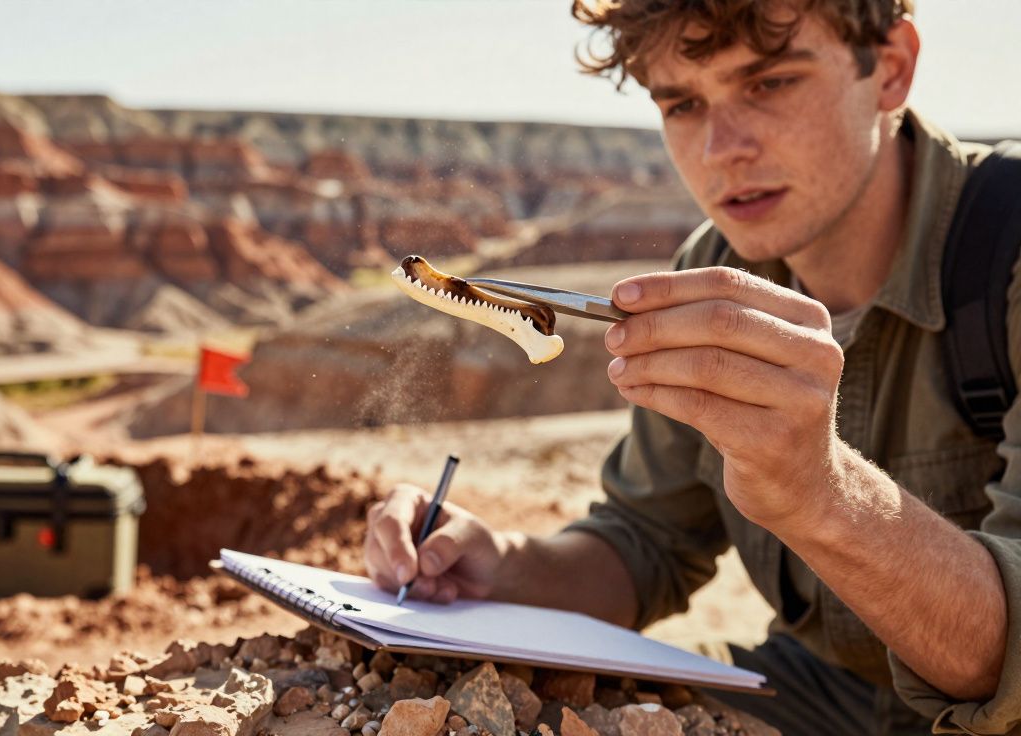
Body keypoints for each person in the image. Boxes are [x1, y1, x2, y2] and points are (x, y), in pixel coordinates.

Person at [363, 2, 1021, 734]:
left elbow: (1006, 665)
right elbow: (648, 542)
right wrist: (501, 565)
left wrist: (821, 493)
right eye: (682, 102)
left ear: (891, 66)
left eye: (769, 84)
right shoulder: (716, 266)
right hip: (815, 694)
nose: (720, 149)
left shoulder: (1009, 245)